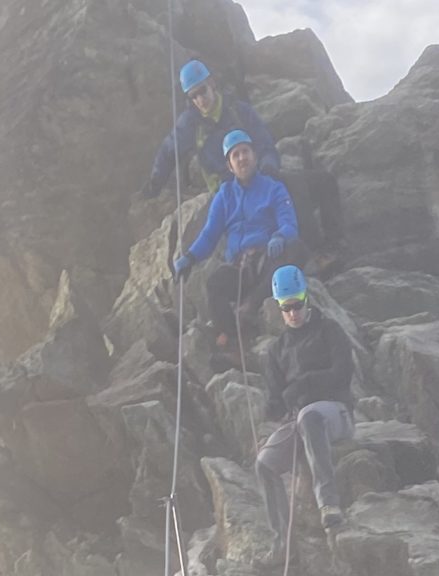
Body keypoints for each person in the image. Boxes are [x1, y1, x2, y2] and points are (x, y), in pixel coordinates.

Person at [171, 135, 301, 351]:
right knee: (215, 283)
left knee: (296, 249)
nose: (241, 158)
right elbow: (210, 234)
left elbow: (289, 224)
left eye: (245, 152)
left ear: (255, 156)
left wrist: (280, 236)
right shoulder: (225, 196)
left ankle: (249, 306)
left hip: (268, 258)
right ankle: (234, 339)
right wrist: (190, 257)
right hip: (241, 267)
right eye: (235, 155)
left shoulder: (273, 188)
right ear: (229, 166)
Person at [255, 266, 354, 545]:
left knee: (310, 416)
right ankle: (282, 543)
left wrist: (305, 383)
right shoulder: (276, 350)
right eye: (286, 307)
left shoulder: (330, 330)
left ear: (307, 299)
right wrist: (272, 409)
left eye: (297, 305)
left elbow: (343, 374)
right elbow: (275, 400)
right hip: (298, 421)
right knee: (264, 464)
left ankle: (329, 504)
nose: (293, 313)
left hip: (336, 412)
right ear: (279, 307)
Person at [140, 61, 280, 199]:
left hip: (256, 181)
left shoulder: (240, 111)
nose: (200, 99)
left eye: (202, 90)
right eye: (193, 96)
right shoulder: (189, 124)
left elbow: (265, 144)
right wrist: (154, 185)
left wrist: (268, 171)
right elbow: (168, 153)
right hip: (223, 194)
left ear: (212, 83)